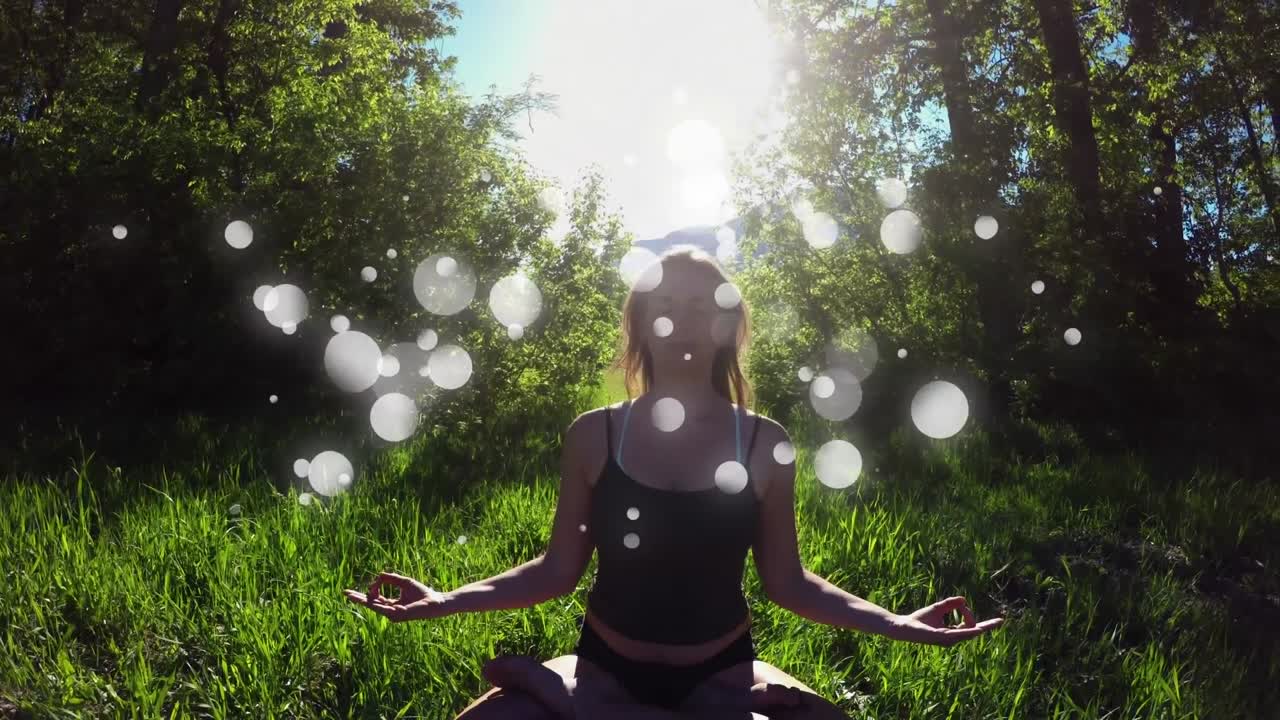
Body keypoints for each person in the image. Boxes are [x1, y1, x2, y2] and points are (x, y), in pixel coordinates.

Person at [343, 246, 1005, 719]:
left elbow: (790, 584)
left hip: (717, 677)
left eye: (700, 307)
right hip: (606, 669)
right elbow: (554, 573)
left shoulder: (765, 443)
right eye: (663, 306)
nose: (681, 321)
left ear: (727, 327)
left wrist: (901, 624)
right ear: (639, 324)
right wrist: (441, 600)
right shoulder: (594, 435)